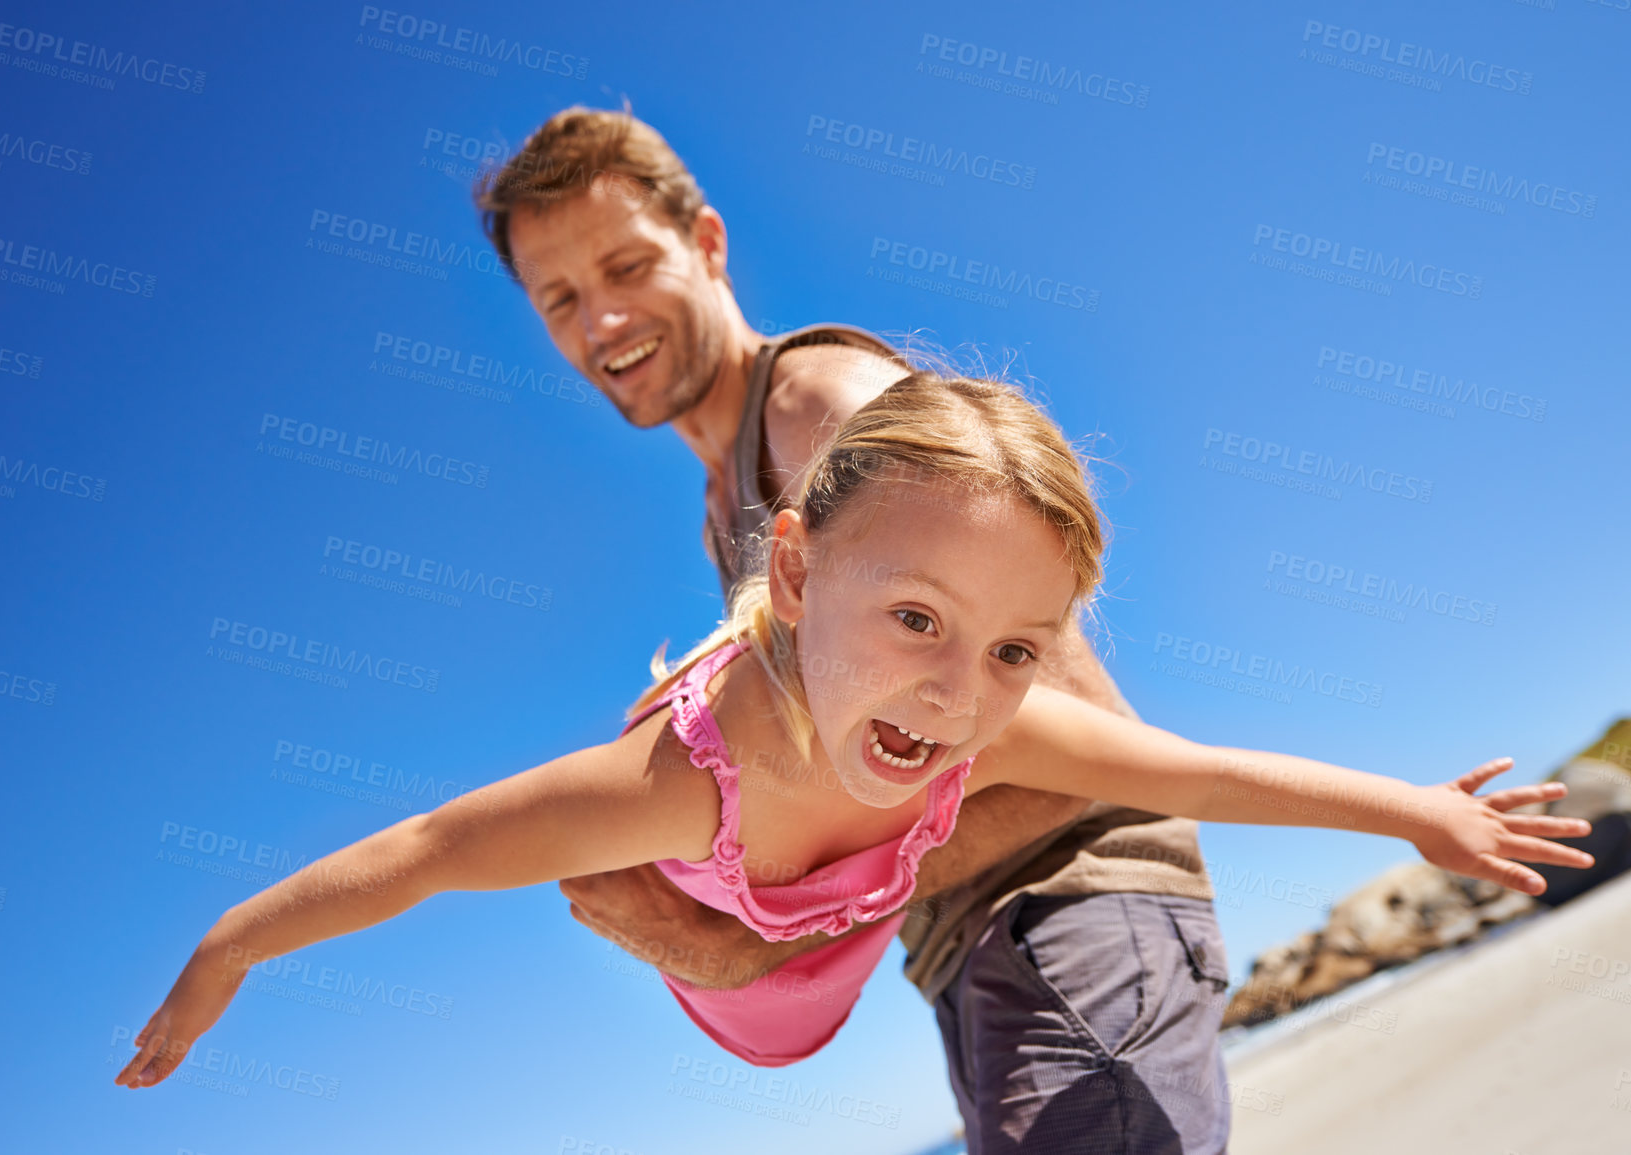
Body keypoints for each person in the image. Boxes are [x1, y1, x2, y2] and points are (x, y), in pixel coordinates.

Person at [116, 375, 1589, 1116]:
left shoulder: (981, 738)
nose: (959, 687)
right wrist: (226, 949)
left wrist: (1413, 809)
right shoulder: (684, 780)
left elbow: (1188, 768)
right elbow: (430, 849)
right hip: (749, 977)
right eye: (917, 616)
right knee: (649, 902)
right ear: (804, 568)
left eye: (1014, 645)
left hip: (827, 943)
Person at [480, 106, 1232, 1149]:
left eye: (625, 265)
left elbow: (1082, 747)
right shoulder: (729, 505)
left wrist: (759, 943)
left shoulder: (819, 413)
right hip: (972, 945)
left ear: (706, 245)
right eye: (561, 297)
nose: (600, 320)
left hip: (1070, 902)